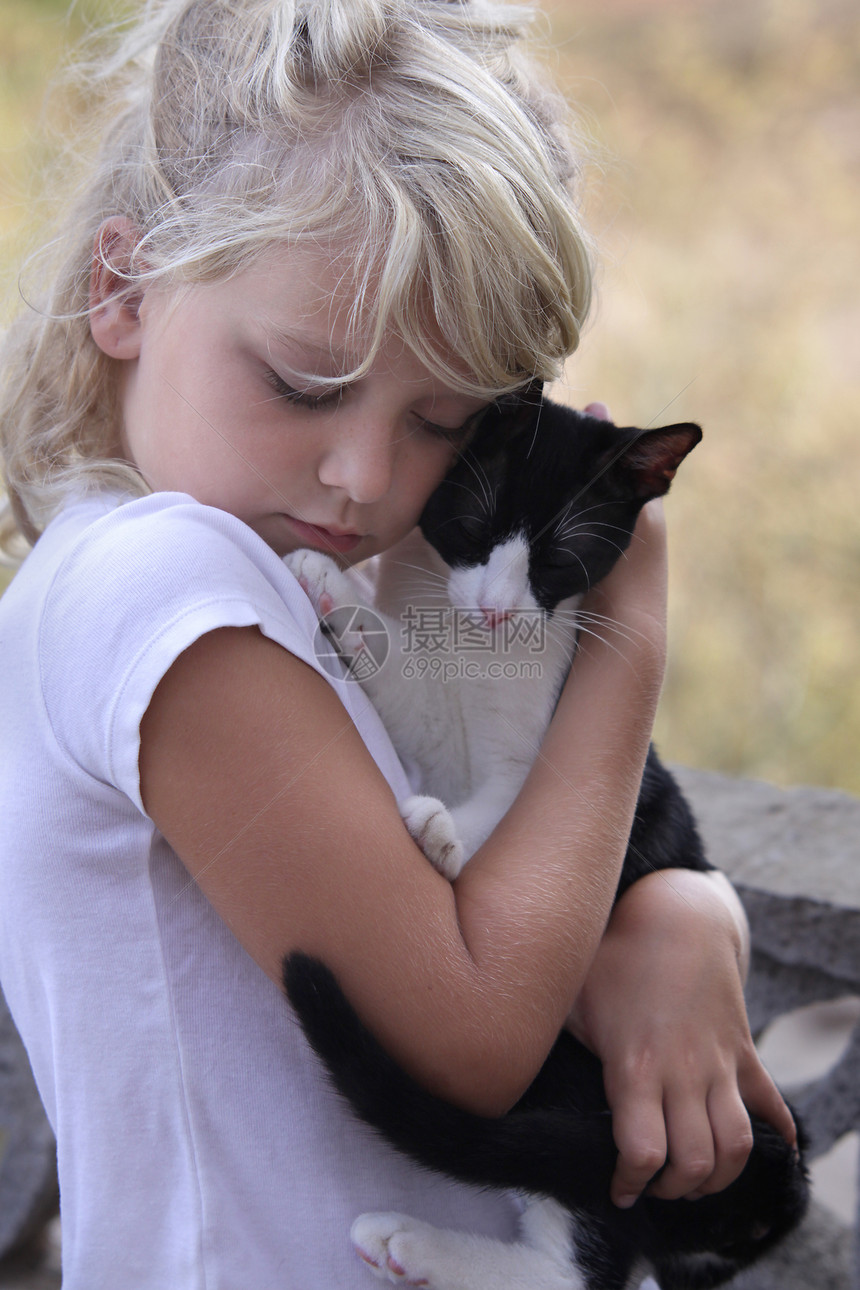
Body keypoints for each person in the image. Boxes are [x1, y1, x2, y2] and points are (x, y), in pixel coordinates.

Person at [0, 1, 795, 1285]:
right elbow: (471, 1030)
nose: (364, 475)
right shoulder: (157, 581)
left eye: (440, 421)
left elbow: (520, 851)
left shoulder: (295, 585)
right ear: (125, 288)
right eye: (305, 386)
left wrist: (681, 914)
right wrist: (627, 640)